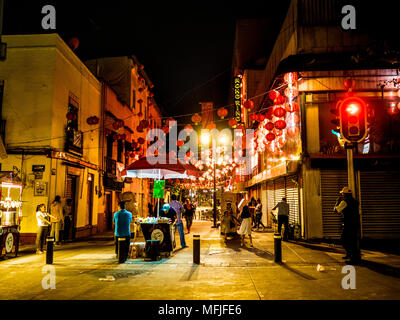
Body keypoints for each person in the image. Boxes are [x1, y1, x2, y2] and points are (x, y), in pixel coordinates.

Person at [334, 187, 361, 264]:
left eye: (342, 193)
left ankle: (353, 258)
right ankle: (351, 255)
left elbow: (336, 210)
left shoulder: (344, 202)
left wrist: (337, 202)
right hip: (355, 223)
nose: (342, 195)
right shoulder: (356, 202)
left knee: (345, 240)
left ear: (345, 194)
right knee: (354, 241)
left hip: (348, 224)